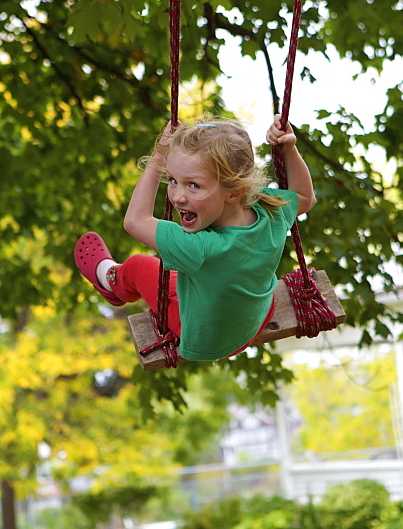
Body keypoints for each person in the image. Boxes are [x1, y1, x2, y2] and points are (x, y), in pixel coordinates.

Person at [75, 114, 316, 361]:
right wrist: (289, 148)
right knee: (185, 273)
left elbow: (135, 222)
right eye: (172, 180)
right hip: (256, 317)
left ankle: (110, 279)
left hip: (208, 338)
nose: (177, 197)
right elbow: (305, 198)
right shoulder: (270, 209)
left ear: (233, 192)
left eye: (193, 185)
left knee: (141, 266)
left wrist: (159, 154)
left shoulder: (201, 248)